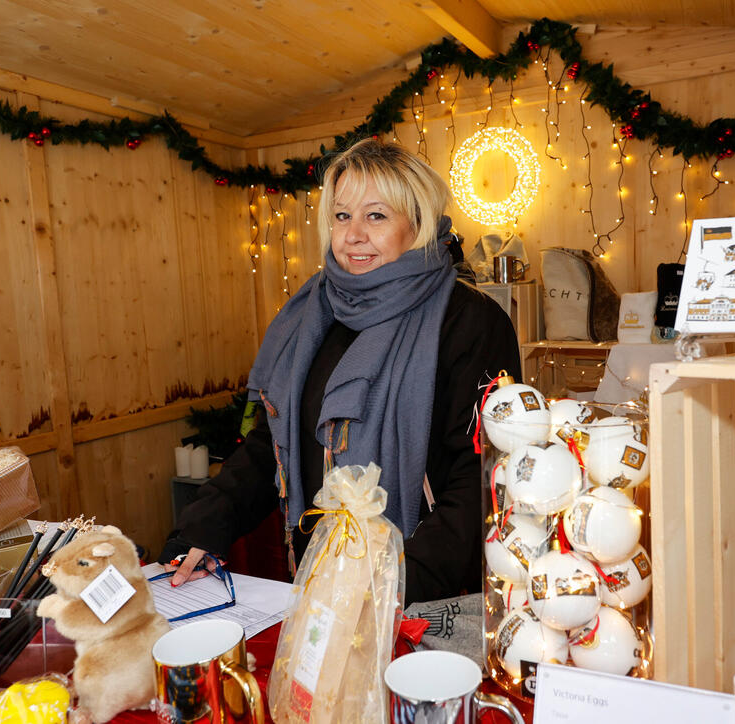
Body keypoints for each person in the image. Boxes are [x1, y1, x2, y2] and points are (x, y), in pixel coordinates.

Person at [159, 139, 522, 604]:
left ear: (418, 223)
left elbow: (483, 478)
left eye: (376, 216)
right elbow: (273, 447)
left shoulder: (469, 320)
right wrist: (203, 528)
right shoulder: (311, 316)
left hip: (418, 593)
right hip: (320, 586)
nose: (352, 235)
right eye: (341, 215)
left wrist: (397, 585)